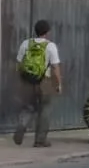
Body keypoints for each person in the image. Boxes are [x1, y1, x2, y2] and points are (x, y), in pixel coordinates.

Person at [13, 19, 62, 148]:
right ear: (47, 32)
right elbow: (55, 68)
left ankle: (21, 125)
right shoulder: (50, 46)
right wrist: (58, 84)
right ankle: (40, 140)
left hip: (28, 80)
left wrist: (23, 78)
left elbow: (18, 63)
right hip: (45, 82)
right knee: (45, 109)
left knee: (28, 107)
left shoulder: (26, 43)